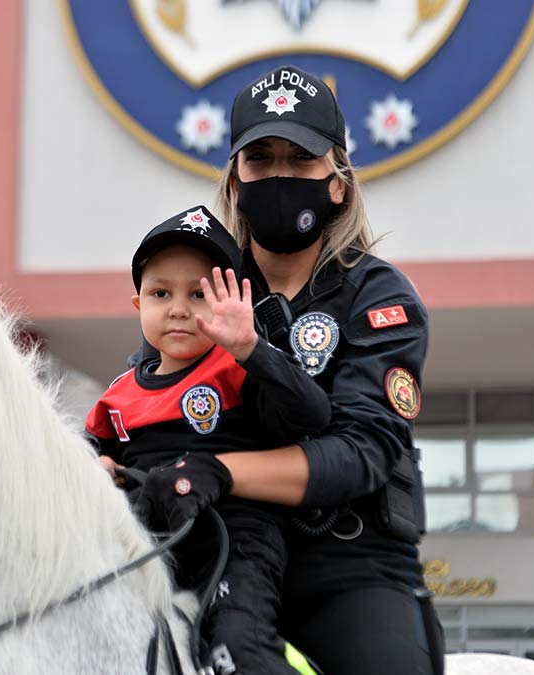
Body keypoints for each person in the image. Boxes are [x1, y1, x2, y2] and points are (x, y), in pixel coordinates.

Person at [130, 65, 444, 675]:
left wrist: (219, 471)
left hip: (348, 567)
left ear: (338, 182)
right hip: (217, 554)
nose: (280, 175)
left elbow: (362, 452)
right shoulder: (196, 290)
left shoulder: (380, 297)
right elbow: (147, 409)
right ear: (235, 181)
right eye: (261, 159)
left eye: (301, 159)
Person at [85, 205, 331, 675]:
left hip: (235, 543)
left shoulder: (238, 368)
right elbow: (87, 453)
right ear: (139, 305)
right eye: (160, 293)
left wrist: (251, 348)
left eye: (198, 294)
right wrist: (97, 467)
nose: (178, 308)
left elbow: (312, 414)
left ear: (229, 303)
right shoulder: (118, 393)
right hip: (146, 547)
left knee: (235, 645)